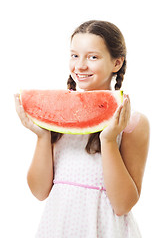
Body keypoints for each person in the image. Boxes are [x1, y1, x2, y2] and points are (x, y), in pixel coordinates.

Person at [15, 20, 150, 237]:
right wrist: (42, 135)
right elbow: (40, 192)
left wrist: (108, 141)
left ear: (117, 63)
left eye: (93, 57)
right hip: (58, 226)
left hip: (105, 229)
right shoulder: (58, 115)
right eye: (74, 55)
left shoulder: (133, 123)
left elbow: (123, 205)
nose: (80, 66)